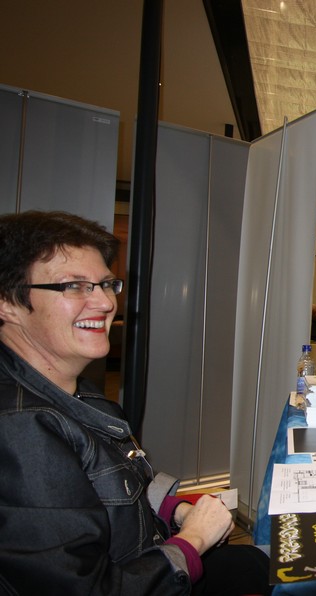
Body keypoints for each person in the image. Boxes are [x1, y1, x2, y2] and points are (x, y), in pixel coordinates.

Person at [0, 211, 270, 596]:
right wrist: (194, 539)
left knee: (279, 564)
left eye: (106, 284)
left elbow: (123, 484)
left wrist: (177, 510)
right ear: (7, 303)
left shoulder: (79, 393)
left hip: (152, 556)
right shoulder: (21, 429)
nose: (105, 302)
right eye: (74, 286)